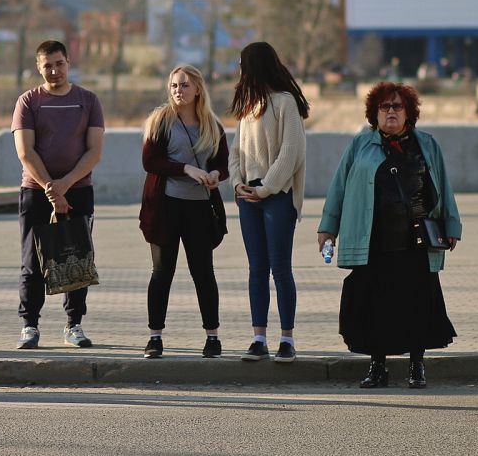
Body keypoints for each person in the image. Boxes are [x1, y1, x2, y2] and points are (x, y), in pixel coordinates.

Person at [317, 82, 461, 389]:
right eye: (385, 107)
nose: (391, 112)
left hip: (416, 240)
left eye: (397, 106)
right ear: (374, 113)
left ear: (409, 113)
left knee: (417, 303)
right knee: (375, 306)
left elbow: (443, 187)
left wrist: (452, 226)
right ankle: (377, 366)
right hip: (373, 241)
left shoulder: (427, 144)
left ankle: (416, 366)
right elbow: (338, 188)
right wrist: (328, 228)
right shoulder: (359, 145)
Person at [12, 40, 105, 350]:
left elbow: (94, 151)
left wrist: (65, 184)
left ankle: (74, 324)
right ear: (39, 68)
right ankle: (30, 325)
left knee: (76, 259)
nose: (54, 71)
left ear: (69, 62)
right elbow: (25, 152)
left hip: (78, 191)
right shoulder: (28, 102)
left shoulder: (88, 101)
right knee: (32, 261)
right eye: (47, 65)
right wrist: (52, 189)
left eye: (59, 63)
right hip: (35, 192)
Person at [138, 65, 228, 359]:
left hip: (200, 208)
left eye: (185, 85)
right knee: (162, 272)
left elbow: (224, 164)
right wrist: (185, 168)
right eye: (175, 85)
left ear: (198, 89)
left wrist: (215, 173)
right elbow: (150, 161)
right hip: (165, 206)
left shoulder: (212, 125)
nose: (179, 90)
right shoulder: (160, 121)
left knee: (203, 272)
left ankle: (212, 337)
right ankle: (155, 337)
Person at [228, 42, 308, 363]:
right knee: (256, 270)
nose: (239, 71)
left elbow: (290, 153)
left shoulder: (285, 103)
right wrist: (237, 184)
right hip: (248, 197)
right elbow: (236, 153)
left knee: (280, 268)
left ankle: (286, 339)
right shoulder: (249, 107)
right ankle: (258, 337)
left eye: (242, 64)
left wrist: (265, 188)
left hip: (276, 197)